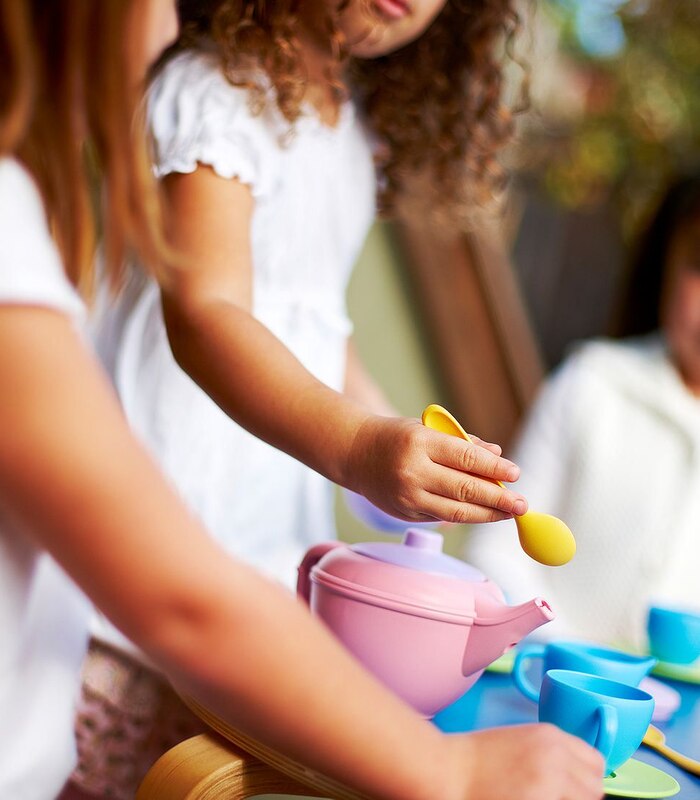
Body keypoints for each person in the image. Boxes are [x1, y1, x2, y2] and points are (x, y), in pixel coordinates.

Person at [0, 2, 606, 800]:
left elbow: (317, 324)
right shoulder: (218, 89)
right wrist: (357, 445)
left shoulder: (351, 138)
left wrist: (396, 435)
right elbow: (209, 311)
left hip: (251, 591)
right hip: (134, 595)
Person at [466, 174, 700, 653]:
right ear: (665, 265)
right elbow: (496, 549)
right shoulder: (591, 383)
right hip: (545, 677)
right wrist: (569, 652)